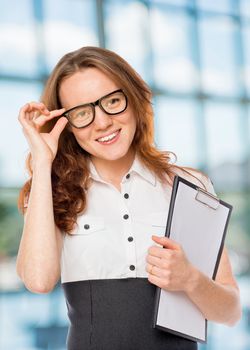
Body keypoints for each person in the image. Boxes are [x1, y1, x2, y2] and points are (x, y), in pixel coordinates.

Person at [16, 46, 241, 350]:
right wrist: (43, 163)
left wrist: (190, 279)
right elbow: (38, 281)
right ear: (66, 124)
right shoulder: (54, 191)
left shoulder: (190, 185)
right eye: (82, 113)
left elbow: (230, 312)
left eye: (112, 101)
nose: (102, 122)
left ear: (133, 99)